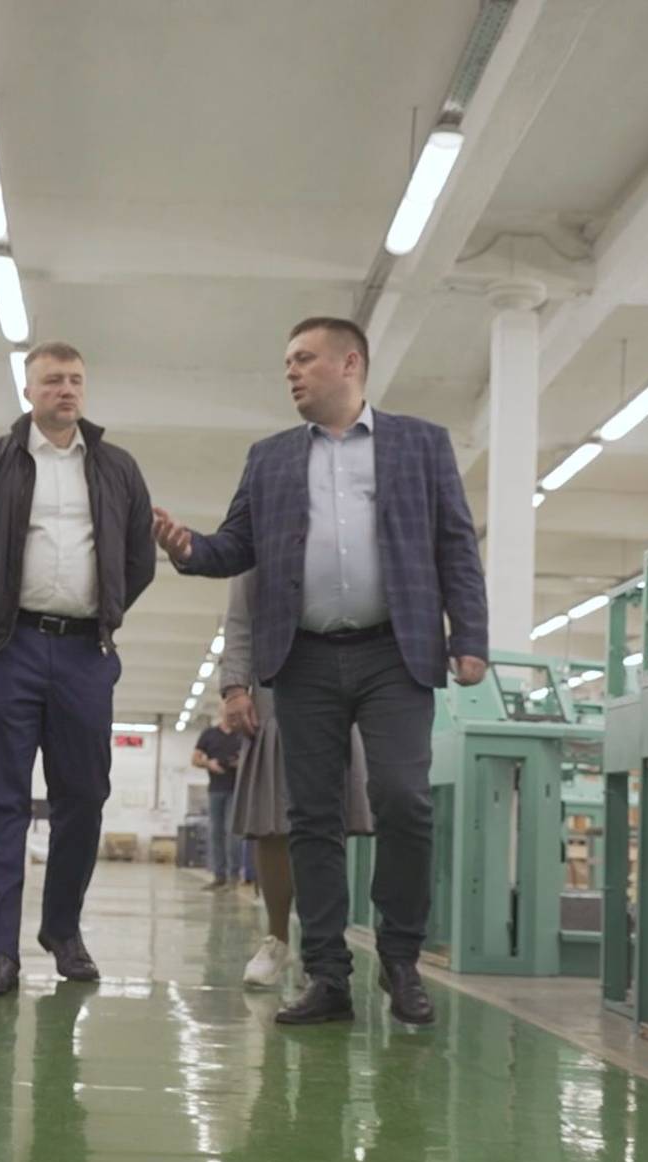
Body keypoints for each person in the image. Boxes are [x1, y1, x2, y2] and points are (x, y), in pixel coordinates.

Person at [152, 316, 489, 1027]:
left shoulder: (421, 444)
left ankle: (400, 958)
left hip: (395, 652)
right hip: (302, 656)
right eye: (288, 363)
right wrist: (188, 549)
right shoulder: (270, 457)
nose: (292, 373)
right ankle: (327, 973)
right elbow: (236, 545)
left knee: (404, 798)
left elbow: (456, 543)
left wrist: (470, 636)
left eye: (304, 359)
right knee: (312, 817)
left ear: (350, 363)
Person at [0, 342, 155, 997]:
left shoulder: (117, 468)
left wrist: (105, 611)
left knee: (84, 795)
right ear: (29, 391)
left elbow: (139, 558)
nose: (65, 390)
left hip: (83, 654)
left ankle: (61, 929)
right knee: (0, 800)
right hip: (5, 648)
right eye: (51, 380)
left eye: (74, 380)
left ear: (84, 389)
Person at [219, 572, 373, 989]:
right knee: (272, 820)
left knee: (328, 820)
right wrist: (235, 686)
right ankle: (277, 940)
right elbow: (240, 616)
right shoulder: (259, 534)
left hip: (346, 670)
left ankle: (321, 949)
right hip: (278, 674)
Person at [190, 717, 245, 890]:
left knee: (232, 832)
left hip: (236, 790)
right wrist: (208, 764)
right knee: (215, 833)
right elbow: (195, 759)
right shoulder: (209, 734)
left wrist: (240, 762)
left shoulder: (242, 734)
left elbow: (254, 758)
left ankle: (233, 876)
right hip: (215, 790)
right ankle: (219, 876)